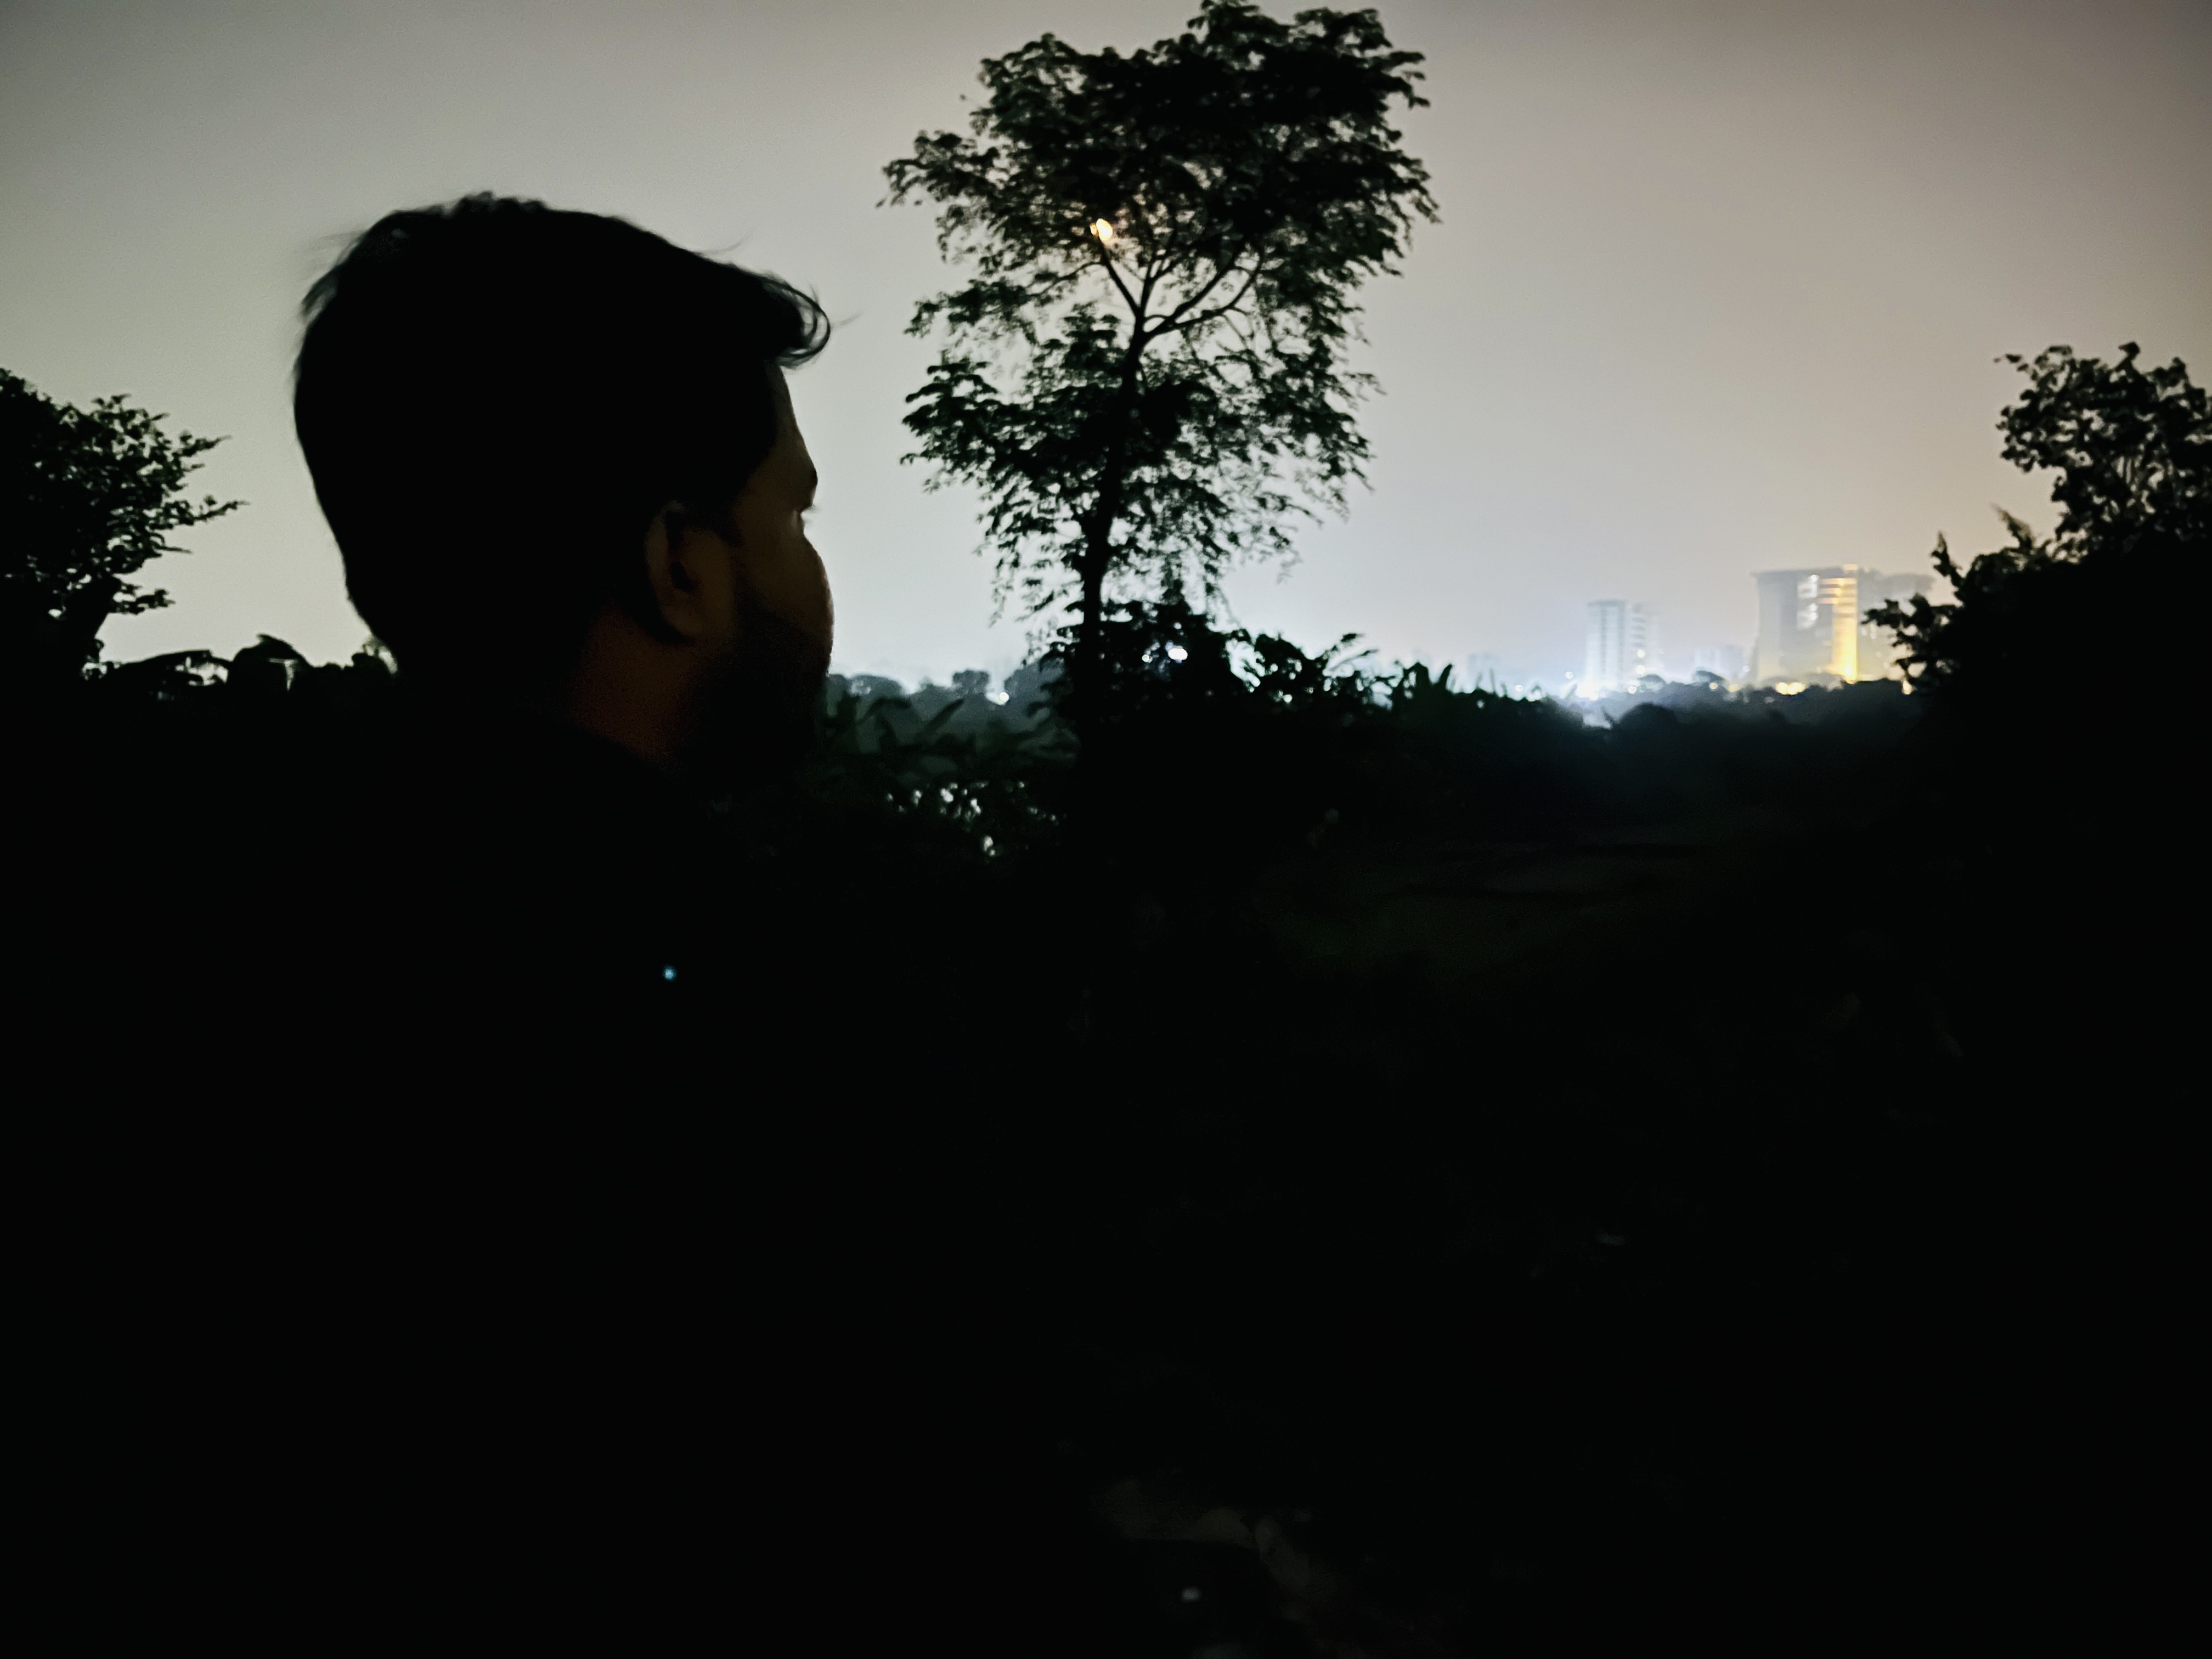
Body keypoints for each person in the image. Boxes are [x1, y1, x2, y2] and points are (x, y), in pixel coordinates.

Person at [31, 196, 1118, 1650]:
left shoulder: (140, 973)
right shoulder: (790, 1026)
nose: (807, 567)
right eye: (788, 514)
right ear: (677, 562)